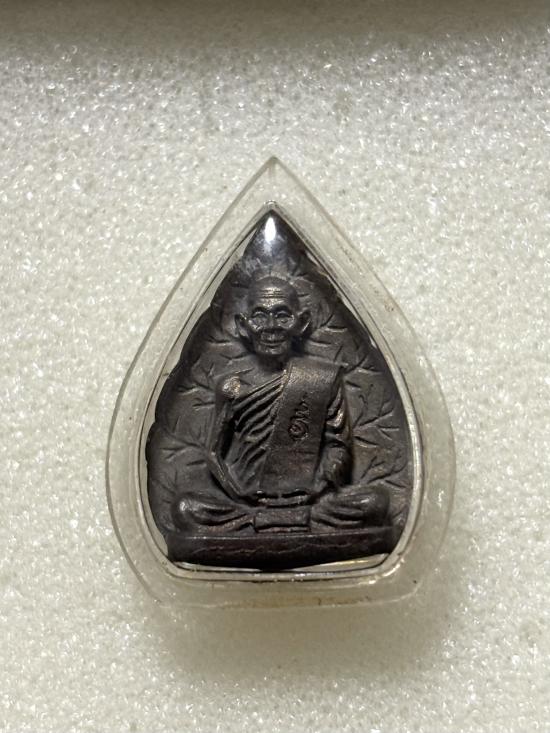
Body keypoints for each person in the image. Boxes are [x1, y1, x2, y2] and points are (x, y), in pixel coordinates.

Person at [171, 275, 389, 534]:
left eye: (283, 316)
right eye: (260, 316)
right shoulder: (232, 387)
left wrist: (316, 487)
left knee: (374, 503)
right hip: (248, 504)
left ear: (301, 323)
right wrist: (239, 493)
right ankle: (269, 521)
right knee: (186, 509)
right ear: (243, 325)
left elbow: (338, 445)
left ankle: (276, 523)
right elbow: (213, 453)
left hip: (309, 501)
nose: (271, 327)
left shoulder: (321, 379)